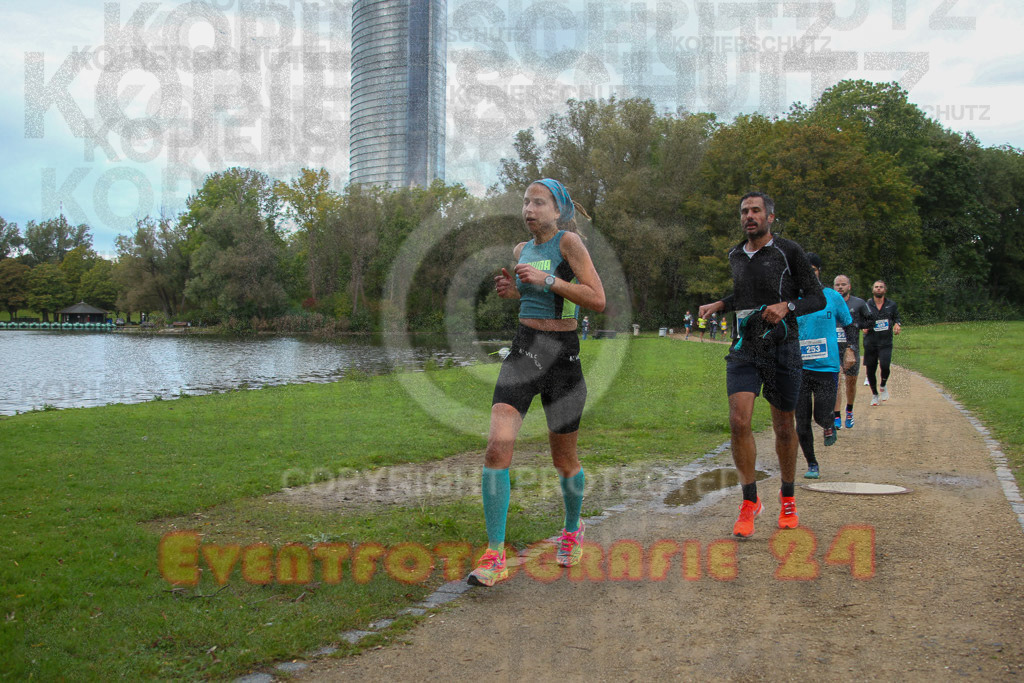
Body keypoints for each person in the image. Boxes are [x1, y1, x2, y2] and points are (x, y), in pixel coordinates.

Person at [468, 178, 606, 587]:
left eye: (539, 203)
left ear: (557, 210)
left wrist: (547, 281)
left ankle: (572, 528)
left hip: (563, 355)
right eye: (526, 202)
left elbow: (596, 299)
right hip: (524, 349)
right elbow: (532, 298)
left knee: (564, 459)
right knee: (497, 447)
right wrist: (514, 291)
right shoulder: (520, 250)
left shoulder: (569, 244)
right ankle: (495, 555)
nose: (529, 209)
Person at [699, 191, 825, 537]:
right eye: (744, 211)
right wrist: (721, 304)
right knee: (739, 421)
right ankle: (749, 500)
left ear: (770, 216)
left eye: (756, 210)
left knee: (784, 427)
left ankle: (787, 497)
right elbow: (745, 294)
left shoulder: (789, 251)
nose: (749, 216)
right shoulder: (735, 254)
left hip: (783, 348)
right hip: (745, 349)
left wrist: (788, 306)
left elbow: (815, 296)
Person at [796, 254, 857, 479]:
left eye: (812, 269)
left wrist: (850, 348)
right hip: (798, 369)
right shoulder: (791, 299)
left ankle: (829, 422)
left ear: (819, 271)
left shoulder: (832, 296)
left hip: (827, 368)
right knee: (801, 420)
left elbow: (850, 325)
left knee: (821, 415)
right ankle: (812, 464)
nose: (808, 273)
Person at [832, 274, 867, 429]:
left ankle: (850, 411)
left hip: (851, 349)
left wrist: (855, 326)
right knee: (837, 381)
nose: (840, 287)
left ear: (849, 287)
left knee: (850, 383)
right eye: (837, 284)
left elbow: (870, 320)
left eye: (843, 284)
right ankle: (837, 416)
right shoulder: (828, 303)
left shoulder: (858, 303)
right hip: (834, 350)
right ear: (833, 287)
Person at [861, 280, 902, 405]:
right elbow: (860, 319)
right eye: (876, 287)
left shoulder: (891, 305)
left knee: (885, 365)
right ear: (873, 290)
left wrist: (897, 325)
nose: (878, 289)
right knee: (870, 370)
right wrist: (864, 326)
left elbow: (897, 318)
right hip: (870, 342)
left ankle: (883, 385)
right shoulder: (866, 305)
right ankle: (874, 394)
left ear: (885, 290)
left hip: (885, 342)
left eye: (881, 287)